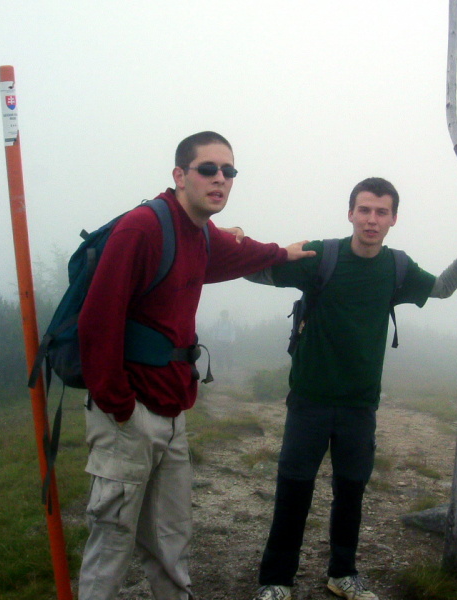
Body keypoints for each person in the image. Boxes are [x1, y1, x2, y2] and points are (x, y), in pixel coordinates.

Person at [76, 131, 314, 600]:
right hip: (128, 414)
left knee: (172, 537)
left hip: (173, 410)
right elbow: (96, 323)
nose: (220, 178)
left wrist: (283, 253)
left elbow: (241, 254)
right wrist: (120, 407)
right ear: (180, 175)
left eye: (229, 171)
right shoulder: (143, 229)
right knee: (113, 540)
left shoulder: (202, 233)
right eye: (208, 169)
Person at [245, 177, 457, 600]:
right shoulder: (322, 256)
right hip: (309, 399)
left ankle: (342, 574)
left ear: (393, 219)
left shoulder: (396, 267)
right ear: (350, 213)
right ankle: (276, 580)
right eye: (364, 210)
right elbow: (258, 274)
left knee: (351, 492)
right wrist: (251, 247)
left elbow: (442, 288)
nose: (371, 219)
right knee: (294, 489)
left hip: (360, 405)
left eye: (381, 212)